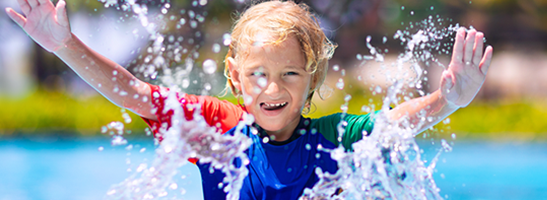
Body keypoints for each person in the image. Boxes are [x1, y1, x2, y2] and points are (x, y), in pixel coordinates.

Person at [6, 0, 493, 199]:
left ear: (312, 78)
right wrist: (63, 45)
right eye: (258, 74)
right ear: (236, 78)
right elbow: (136, 94)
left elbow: (393, 124)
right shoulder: (219, 129)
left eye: (289, 74)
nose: (274, 89)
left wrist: (449, 101)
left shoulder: (333, 140)